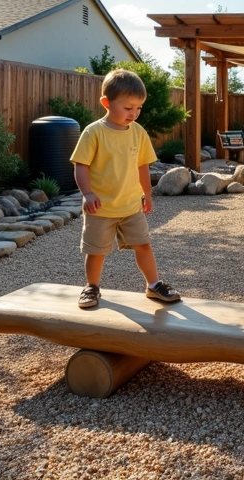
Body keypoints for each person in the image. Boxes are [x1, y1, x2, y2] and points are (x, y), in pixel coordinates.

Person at [70, 68, 180, 309]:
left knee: (144, 244)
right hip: (100, 207)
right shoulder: (94, 132)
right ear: (106, 103)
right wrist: (87, 193)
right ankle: (92, 287)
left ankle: (154, 285)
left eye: (138, 108)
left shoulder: (139, 133)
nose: (134, 113)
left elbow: (142, 166)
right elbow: (81, 166)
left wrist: (147, 194)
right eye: (128, 108)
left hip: (131, 205)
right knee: (96, 251)